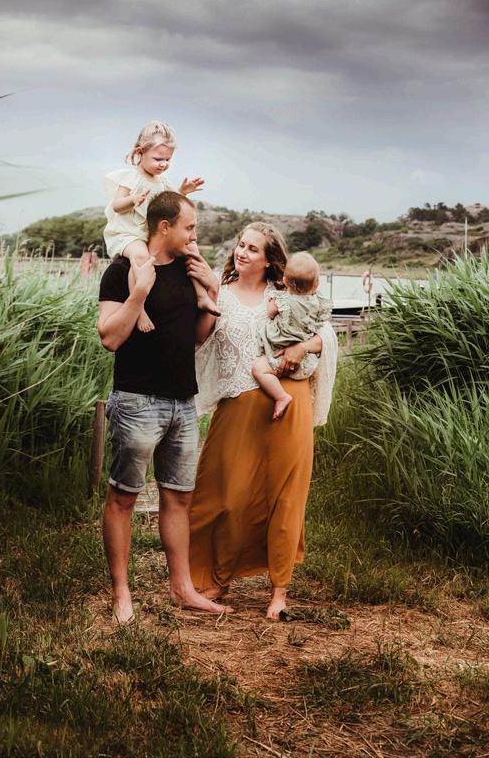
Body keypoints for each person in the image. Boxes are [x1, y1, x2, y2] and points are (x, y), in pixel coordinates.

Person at [189, 223, 337, 620]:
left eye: (252, 248)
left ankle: (279, 592)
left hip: (288, 402)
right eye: (241, 245)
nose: (242, 252)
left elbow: (327, 336)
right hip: (237, 405)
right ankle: (218, 577)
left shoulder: (286, 294)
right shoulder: (221, 292)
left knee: (285, 496)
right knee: (225, 496)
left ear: (270, 260)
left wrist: (301, 348)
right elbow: (199, 339)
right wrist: (208, 296)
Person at [98, 190, 229, 623]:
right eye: (189, 227)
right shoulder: (122, 271)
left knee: (178, 497)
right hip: (137, 400)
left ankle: (182, 589)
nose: (194, 235)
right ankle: (121, 593)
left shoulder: (189, 271)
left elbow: (197, 337)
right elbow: (109, 337)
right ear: (164, 226)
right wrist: (139, 294)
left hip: (183, 403)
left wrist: (212, 290)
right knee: (123, 497)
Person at [103, 120, 218, 332]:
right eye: (158, 159)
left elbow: (171, 204)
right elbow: (117, 205)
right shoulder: (130, 177)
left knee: (191, 248)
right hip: (129, 233)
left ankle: (201, 294)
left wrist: (183, 192)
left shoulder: (162, 181)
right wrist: (133, 199)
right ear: (140, 152)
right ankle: (140, 309)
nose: (163, 164)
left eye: (167, 159)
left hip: (151, 233)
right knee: (140, 257)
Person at [252, 251, 332, 420]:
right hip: (307, 363)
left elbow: (270, 312)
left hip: (281, 358)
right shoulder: (318, 303)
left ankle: (281, 397)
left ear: (285, 280)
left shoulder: (283, 301)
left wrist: (275, 300)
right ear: (317, 284)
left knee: (259, 370)